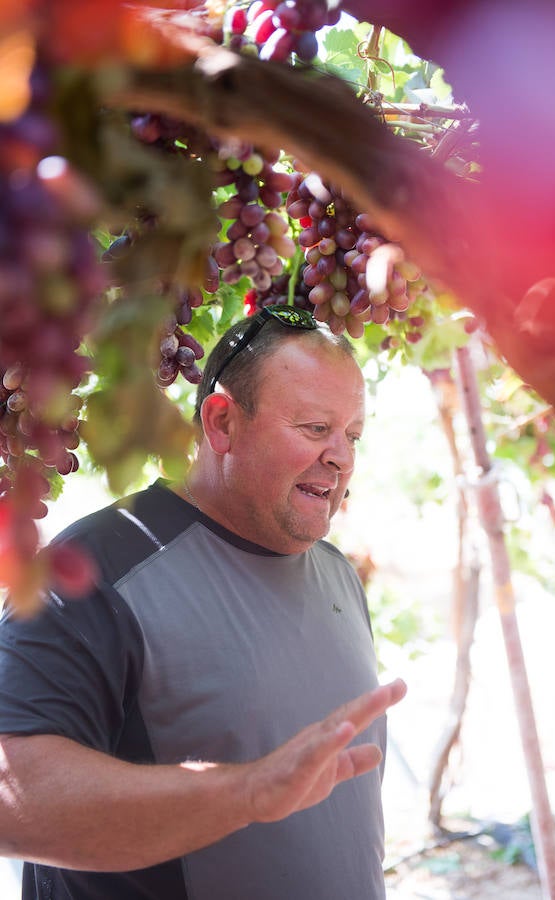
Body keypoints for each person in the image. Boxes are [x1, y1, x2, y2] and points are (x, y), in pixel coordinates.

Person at [0, 304, 407, 900]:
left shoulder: (337, 573)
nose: (340, 457)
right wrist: (244, 794)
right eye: (315, 429)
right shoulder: (96, 566)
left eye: (351, 436)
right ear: (221, 423)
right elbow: (13, 795)